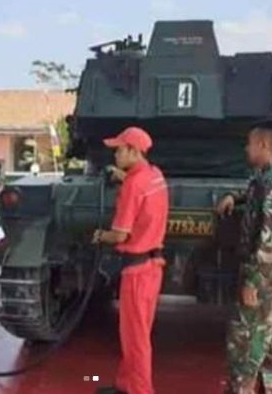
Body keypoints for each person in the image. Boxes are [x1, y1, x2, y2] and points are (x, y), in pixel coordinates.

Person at [216, 120, 272, 394]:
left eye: (250, 144)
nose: (246, 149)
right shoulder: (265, 177)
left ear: (263, 145)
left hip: (271, 272)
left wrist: (254, 280)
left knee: (245, 339)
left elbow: (271, 241)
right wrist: (234, 197)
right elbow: (256, 198)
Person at [92, 126, 169, 394]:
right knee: (138, 333)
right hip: (153, 267)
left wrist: (101, 235)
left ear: (134, 151)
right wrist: (124, 176)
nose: (115, 154)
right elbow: (140, 186)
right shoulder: (155, 175)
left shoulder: (133, 186)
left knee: (135, 340)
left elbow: (120, 235)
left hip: (135, 272)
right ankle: (126, 385)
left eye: (119, 150)